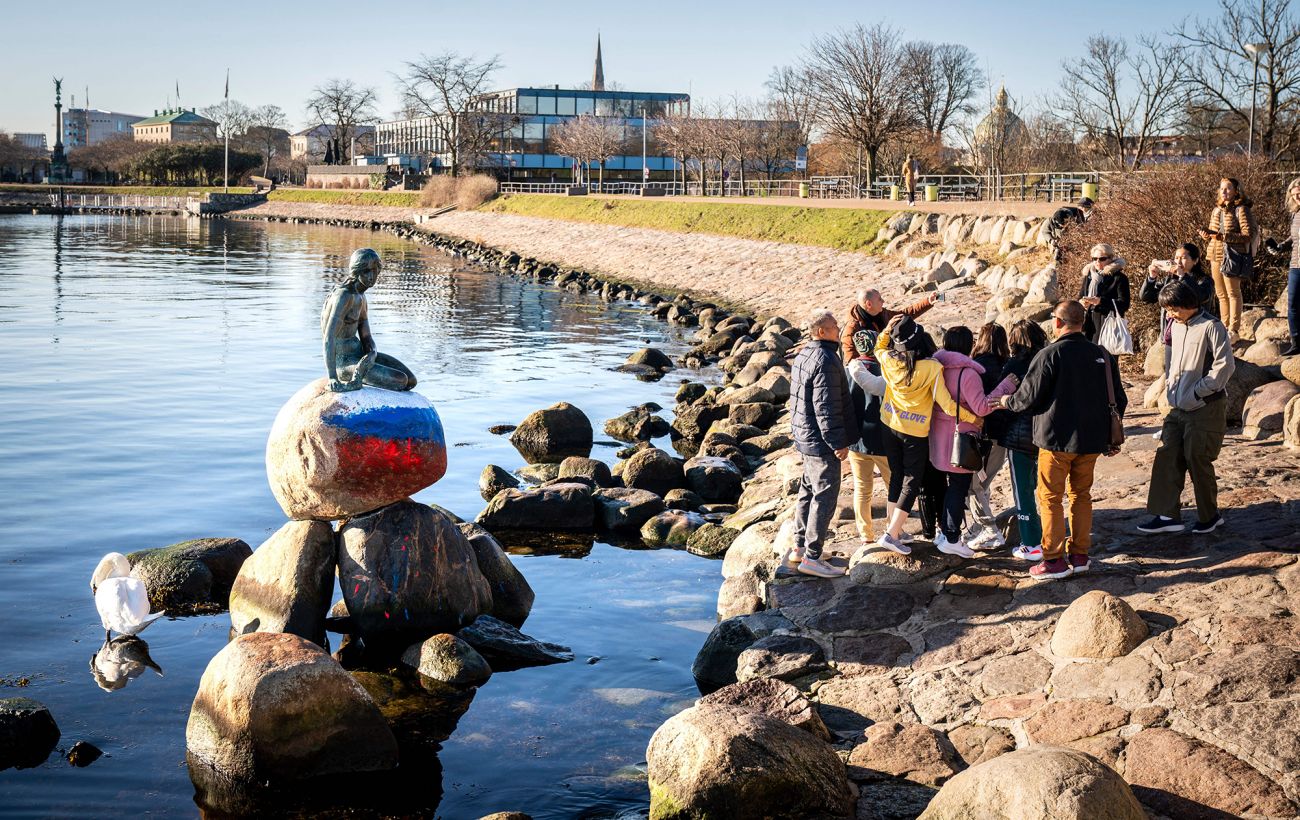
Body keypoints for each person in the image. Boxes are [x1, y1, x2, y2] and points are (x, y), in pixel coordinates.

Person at [994, 300, 1127, 580]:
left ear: (1057, 322)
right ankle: (1079, 556)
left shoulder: (1049, 354)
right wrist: (1108, 437)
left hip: (1054, 442)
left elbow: (1026, 398)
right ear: (1083, 322)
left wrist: (1006, 400)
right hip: (1090, 442)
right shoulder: (1102, 355)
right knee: (1081, 496)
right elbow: (1119, 399)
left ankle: (1053, 560)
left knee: (1050, 498)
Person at [873, 315, 977, 555]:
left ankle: (894, 528)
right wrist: (974, 418)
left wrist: (888, 330)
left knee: (897, 476)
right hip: (915, 431)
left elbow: (879, 346)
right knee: (911, 481)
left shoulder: (888, 359)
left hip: (888, 423)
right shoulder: (932, 368)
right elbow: (949, 405)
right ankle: (891, 534)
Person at [1137, 282, 1235, 535]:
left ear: (1190, 304)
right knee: (1166, 454)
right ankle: (1167, 515)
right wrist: (1171, 390)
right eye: (1167, 309)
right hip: (1177, 406)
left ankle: (1209, 516)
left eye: (1174, 309)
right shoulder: (1173, 326)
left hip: (1206, 406)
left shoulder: (1212, 327)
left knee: (1197, 458)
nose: (1169, 314)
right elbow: (1170, 364)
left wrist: (1197, 392)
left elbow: (1224, 368)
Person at [926, 326, 1018, 557]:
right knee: (959, 487)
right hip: (961, 439)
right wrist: (1005, 387)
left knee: (946, 487)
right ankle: (952, 537)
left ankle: (945, 533)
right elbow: (982, 407)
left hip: (937, 436)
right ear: (968, 345)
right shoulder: (968, 374)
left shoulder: (935, 367)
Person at [788, 309, 856, 578]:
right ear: (820, 332)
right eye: (833, 326)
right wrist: (838, 442)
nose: (838, 328)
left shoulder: (806, 352)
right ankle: (812, 557)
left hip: (805, 436)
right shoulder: (826, 358)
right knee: (825, 495)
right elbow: (825, 408)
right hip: (819, 441)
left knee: (808, 489)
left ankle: (800, 546)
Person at [321, 248, 418, 392]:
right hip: (344, 363)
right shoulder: (343, 297)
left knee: (410, 380)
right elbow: (329, 339)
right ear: (357, 270)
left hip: (360, 357)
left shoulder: (361, 297)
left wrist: (372, 353)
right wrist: (332, 377)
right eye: (367, 271)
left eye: (375, 271)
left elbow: (366, 337)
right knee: (400, 380)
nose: (372, 276)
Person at [995, 320, 1051, 561]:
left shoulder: (1013, 364)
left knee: (1023, 491)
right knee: (1048, 490)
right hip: (1047, 433)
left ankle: (1031, 542)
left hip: (1020, 436)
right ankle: (1051, 536)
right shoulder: (1049, 359)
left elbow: (1006, 403)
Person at [964, 323, 1012, 548]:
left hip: (981, 436)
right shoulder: (1009, 366)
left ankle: (989, 529)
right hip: (1003, 436)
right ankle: (978, 527)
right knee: (983, 482)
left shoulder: (977, 368)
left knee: (974, 484)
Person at [845, 329, 893, 544]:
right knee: (893, 485)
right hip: (883, 437)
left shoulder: (848, 372)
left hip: (857, 439)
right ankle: (894, 529)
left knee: (862, 488)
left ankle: (866, 534)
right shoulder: (886, 370)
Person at [1200, 177, 1256, 337]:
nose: (1224, 191)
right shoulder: (1216, 209)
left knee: (1233, 293)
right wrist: (1207, 235)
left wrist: (1224, 237)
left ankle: (1234, 330)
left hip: (1232, 255)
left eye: (1228, 188)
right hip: (1215, 255)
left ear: (1236, 191)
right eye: (1222, 188)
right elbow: (1213, 233)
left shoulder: (1242, 209)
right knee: (1221, 294)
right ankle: (1224, 327)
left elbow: (1247, 235)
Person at [841, 288, 939, 363]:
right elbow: (850, 360)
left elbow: (903, 315)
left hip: (886, 360)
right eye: (879, 299)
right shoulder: (852, 328)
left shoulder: (881, 313)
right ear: (869, 304)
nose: (883, 301)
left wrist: (928, 302)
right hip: (871, 370)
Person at [1141, 243, 1217, 334]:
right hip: (1170, 334)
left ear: (1195, 260)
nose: (1178, 262)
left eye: (1183, 258)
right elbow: (1146, 297)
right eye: (1176, 258)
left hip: (1195, 331)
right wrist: (1152, 277)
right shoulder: (1170, 279)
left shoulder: (1204, 280)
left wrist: (1183, 276)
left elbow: (1201, 297)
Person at [1264, 176, 1300, 356]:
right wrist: (1278, 247)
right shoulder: (1295, 213)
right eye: (1295, 196)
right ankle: (1296, 343)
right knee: (1292, 305)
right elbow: (1294, 239)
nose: (1297, 198)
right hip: (1296, 264)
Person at [1079, 243, 1130, 343]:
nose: (1097, 262)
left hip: (1108, 323)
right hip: (1089, 323)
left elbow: (1124, 304)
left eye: (1102, 259)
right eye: (1094, 258)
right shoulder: (1088, 276)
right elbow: (1080, 296)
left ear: (1110, 258)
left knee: (1107, 357)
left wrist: (1100, 301)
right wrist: (1082, 302)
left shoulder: (1119, 278)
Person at [1046, 197, 1094, 262]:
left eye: (1065, 224)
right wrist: (1051, 240)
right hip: (1058, 242)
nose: (1063, 227)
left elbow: (1083, 231)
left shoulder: (1078, 216)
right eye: (1061, 225)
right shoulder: (1052, 219)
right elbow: (1045, 231)